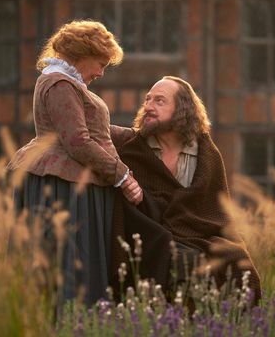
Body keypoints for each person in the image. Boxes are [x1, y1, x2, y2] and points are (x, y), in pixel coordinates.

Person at [7, 20, 142, 312]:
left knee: (78, 267)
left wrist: (141, 135)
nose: (101, 72)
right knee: (70, 269)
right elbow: (77, 141)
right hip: (64, 187)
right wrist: (123, 176)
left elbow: (97, 130)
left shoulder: (68, 84)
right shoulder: (58, 83)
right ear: (82, 54)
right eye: (100, 63)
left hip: (74, 184)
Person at [110, 76, 261, 300]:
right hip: (152, 234)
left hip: (199, 232)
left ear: (182, 109)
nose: (149, 106)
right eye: (147, 100)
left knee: (239, 260)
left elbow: (215, 209)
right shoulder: (132, 149)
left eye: (159, 101)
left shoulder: (206, 154)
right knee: (186, 262)